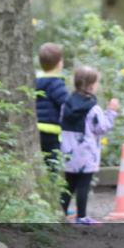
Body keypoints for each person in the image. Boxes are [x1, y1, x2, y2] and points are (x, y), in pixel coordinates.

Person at [59, 65, 119, 225]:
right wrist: (111, 112)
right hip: (86, 154)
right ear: (92, 85)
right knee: (83, 186)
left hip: (68, 152)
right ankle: (82, 216)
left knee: (69, 184)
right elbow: (102, 128)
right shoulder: (93, 107)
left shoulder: (66, 103)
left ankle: (61, 213)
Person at [35, 43, 68, 172]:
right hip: (52, 131)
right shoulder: (56, 83)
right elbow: (66, 104)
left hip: (37, 128)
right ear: (60, 63)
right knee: (52, 164)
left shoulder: (35, 81)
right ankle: (52, 185)